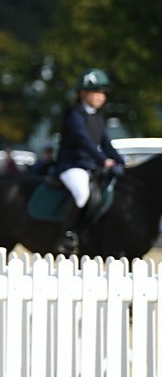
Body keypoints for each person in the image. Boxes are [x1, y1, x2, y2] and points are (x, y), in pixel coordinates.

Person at [55, 69, 125, 253]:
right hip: (71, 165)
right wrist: (104, 161)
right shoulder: (74, 114)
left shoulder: (97, 117)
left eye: (103, 93)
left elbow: (106, 144)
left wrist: (121, 162)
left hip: (89, 166)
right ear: (83, 93)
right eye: (96, 92)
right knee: (82, 193)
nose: (101, 97)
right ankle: (67, 234)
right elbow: (84, 141)